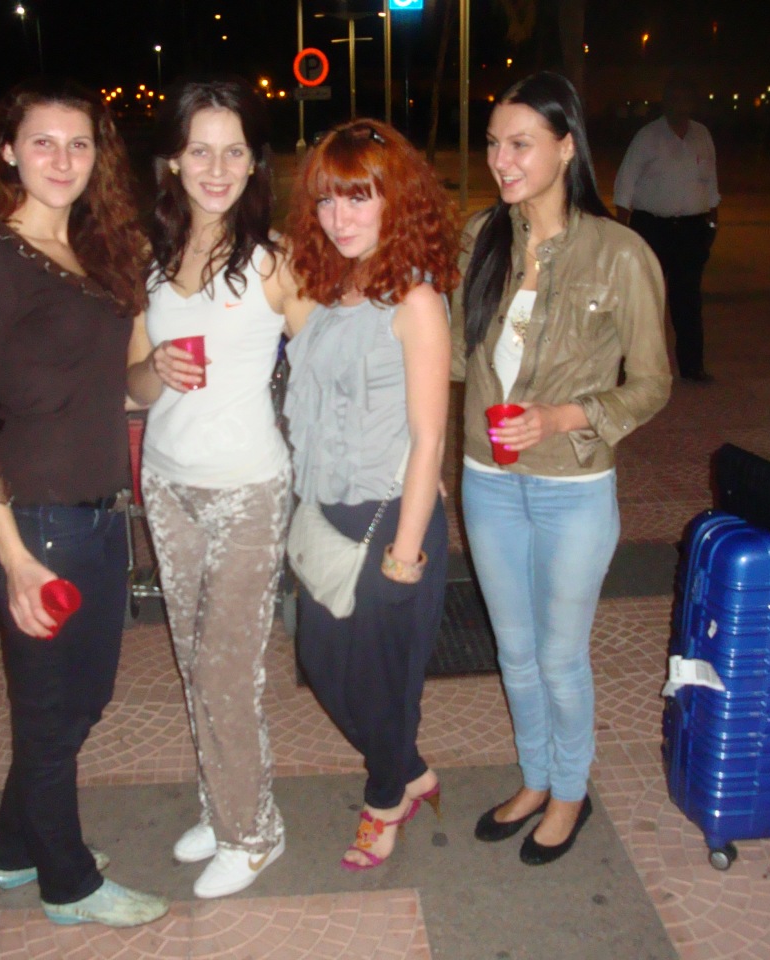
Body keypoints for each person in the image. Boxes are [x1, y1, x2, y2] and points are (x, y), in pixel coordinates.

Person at [0, 78, 168, 928]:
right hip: (33, 523)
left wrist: (159, 369)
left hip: (99, 513)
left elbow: (125, 389)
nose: (62, 159)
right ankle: (67, 882)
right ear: (9, 151)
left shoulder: (95, 254)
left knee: (85, 699)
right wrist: (11, 559)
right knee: (47, 714)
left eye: (79, 144)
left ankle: (15, 846)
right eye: (43, 141)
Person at [452, 73, 670, 865]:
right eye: (493, 144)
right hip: (487, 478)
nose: (501, 160)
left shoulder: (620, 253)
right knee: (513, 651)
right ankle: (536, 777)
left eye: (520, 144)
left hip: (572, 487)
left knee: (558, 654)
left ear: (566, 147)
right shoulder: (482, 237)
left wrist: (562, 417)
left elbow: (652, 383)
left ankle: (571, 790)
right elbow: (452, 356)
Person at [125, 77, 311, 899]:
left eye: (233, 151)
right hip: (168, 485)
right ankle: (224, 801)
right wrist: (155, 371)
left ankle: (254, 833)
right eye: (199, 150)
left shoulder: (275, 260)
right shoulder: (149, 260)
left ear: (254, 162)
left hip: (248, 489)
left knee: (226, 672)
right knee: (192, 660)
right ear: (172, 160)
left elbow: (321, 368)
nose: (216, 167)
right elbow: (133, 383)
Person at [284, 118, 458, 871]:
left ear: (397, 199)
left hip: (393, 518)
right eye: (327, 199)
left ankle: (386, 798)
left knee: (385, 681)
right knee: (323, 663)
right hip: (331, 511)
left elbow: (429, 436)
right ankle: (410, 769)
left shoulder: (413, 299)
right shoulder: (335, 286)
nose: (340, 216)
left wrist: (406, 554)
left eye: (359, 197)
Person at [613, 73, 720, 383]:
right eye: (675, 98)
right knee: (644, 300)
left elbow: (711, 182)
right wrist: (624, 231)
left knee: (688, 300)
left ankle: (692, 366)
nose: (680, 104)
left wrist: (712, 222)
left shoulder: (702, 135)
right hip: (653, 228)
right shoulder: (648, 137)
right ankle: (633, 368)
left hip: (691, 229)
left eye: (686, 98)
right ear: (665, 101)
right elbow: (625, 184)